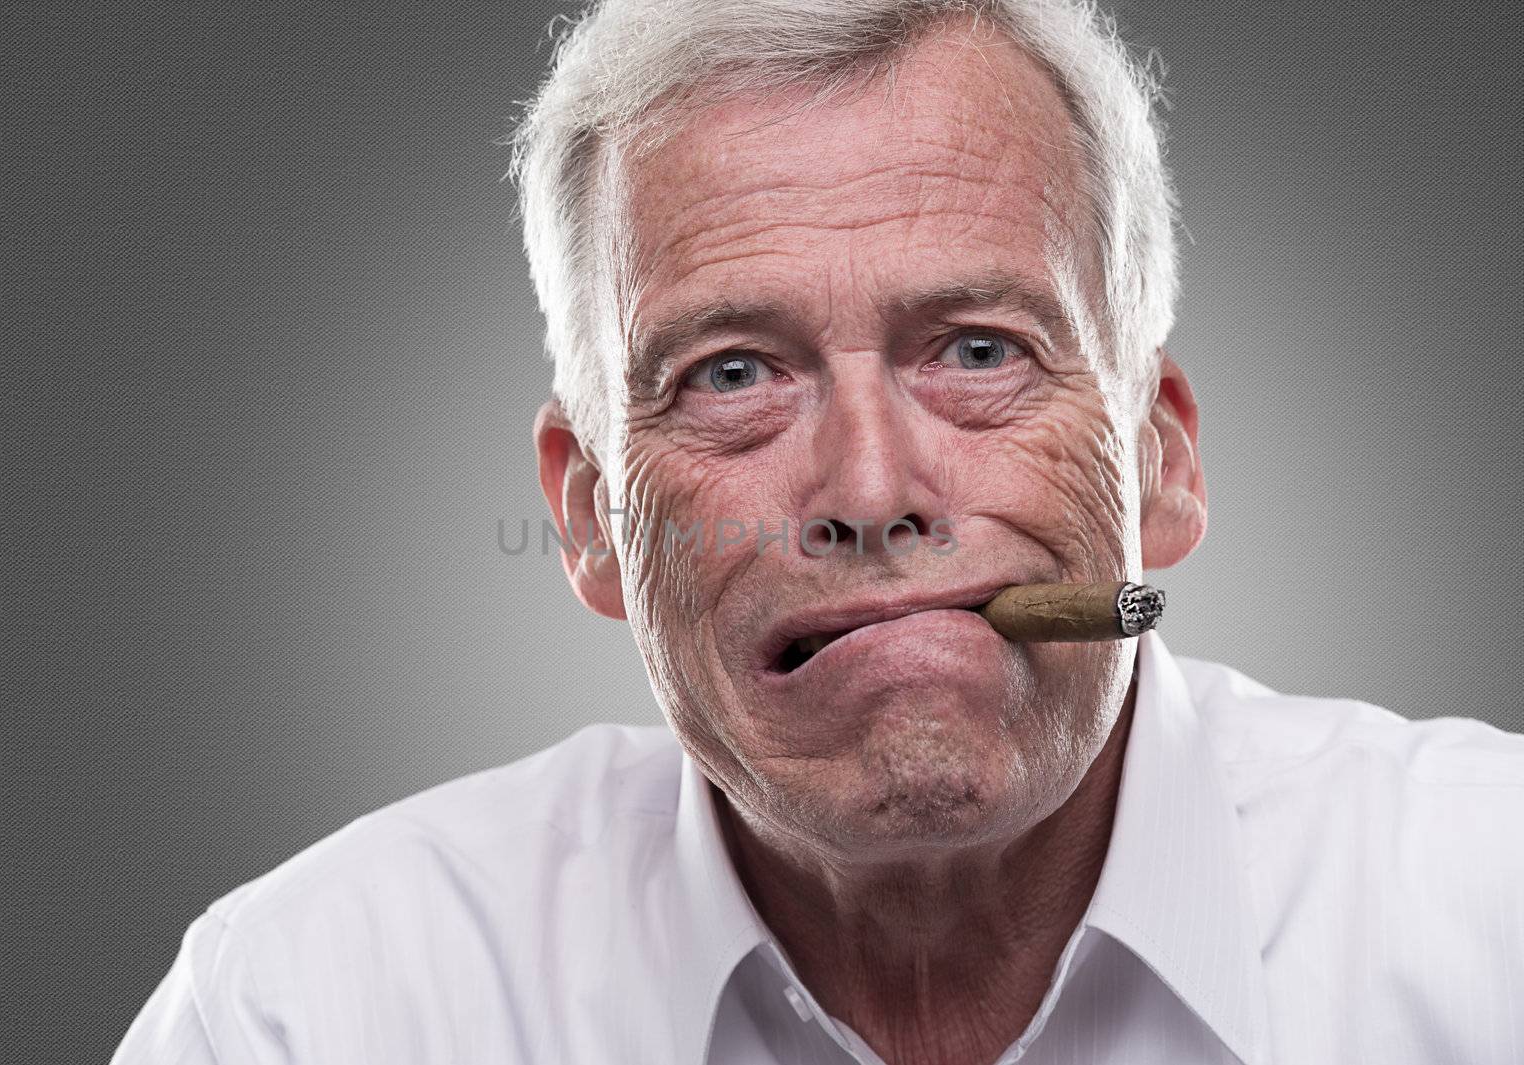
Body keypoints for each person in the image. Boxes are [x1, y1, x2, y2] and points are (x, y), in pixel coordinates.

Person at [112, 1, 1524, 1062]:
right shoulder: (313, 1010)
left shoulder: (1489, 909)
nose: (869, 487)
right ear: (593, 516)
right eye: (732, 374)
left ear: (1159, 459)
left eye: (977, 350)